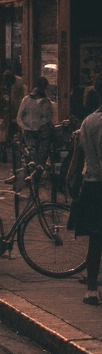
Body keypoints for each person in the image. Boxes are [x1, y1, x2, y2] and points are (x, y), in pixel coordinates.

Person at [67, 85, 102, 306]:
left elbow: (79, 154)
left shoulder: (87, 121)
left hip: (91, 185)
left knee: (96, 240)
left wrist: (72, 178)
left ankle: (91, 289)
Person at [17, 76, 55, 170]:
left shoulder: (46, 102)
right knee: (32, 156)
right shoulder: (27, 100)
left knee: (40, 157)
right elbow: (19, 117)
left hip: (41, 133)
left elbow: (49, 118)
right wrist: (25, 128)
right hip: (30, 132)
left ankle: (37, 173)